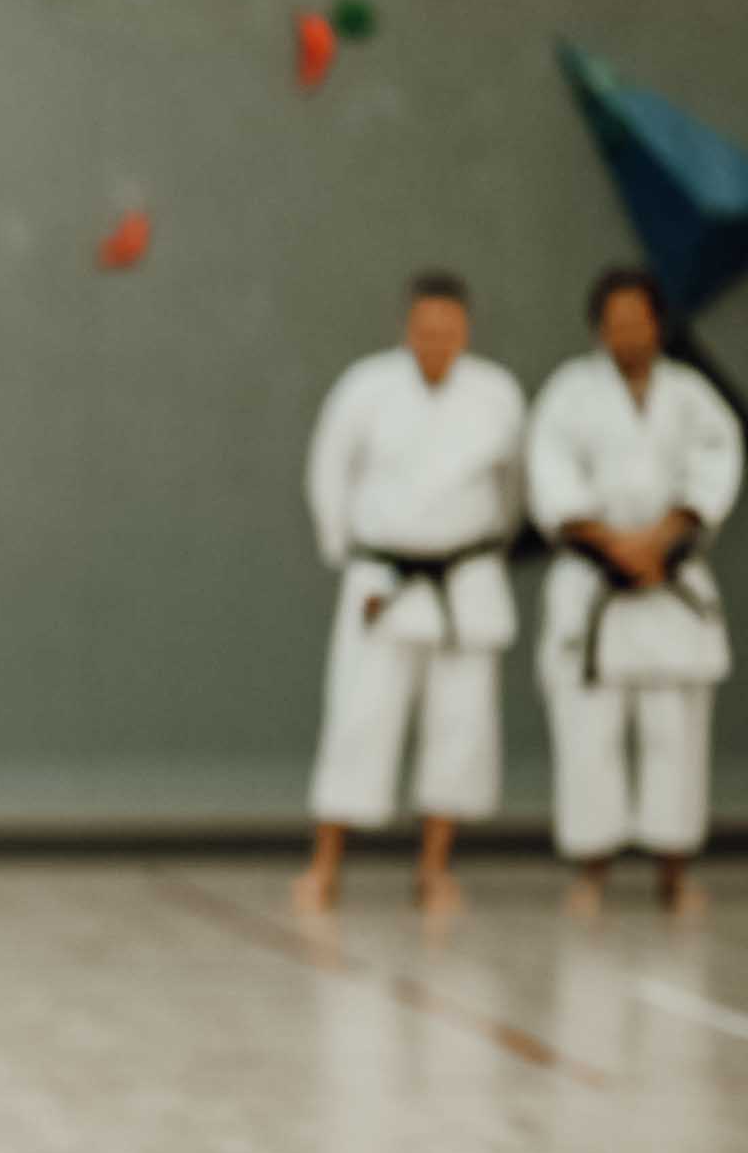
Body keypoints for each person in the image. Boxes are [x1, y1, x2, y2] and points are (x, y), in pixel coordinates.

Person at [298, 272, 525, 916]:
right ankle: (325, 864)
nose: (437, 342)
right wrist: (347, 550)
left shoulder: (495, 394)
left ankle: (434, 868)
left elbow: (514, 495)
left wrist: (482, 548)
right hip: (384, 578)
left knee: (459, 729)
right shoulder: (366, 388)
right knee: (358, 718)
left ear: (466, 330)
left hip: (464, 578)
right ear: (407, 328)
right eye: (426, 331)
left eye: (449, 332)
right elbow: (329, 471)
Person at [528, 267, 740, 916]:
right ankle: (592, 871)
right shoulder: (569, 393)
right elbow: (551, 476)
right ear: (600, 326)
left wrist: (668, 534)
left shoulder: (692, 395)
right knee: (590, 735)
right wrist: (614, 543)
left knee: (674, 734)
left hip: (668, 576)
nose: (629, 331)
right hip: (598, 577)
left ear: (658, 323)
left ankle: (673, 873)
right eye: (616, 320)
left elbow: (717, 464)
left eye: (640, 319)